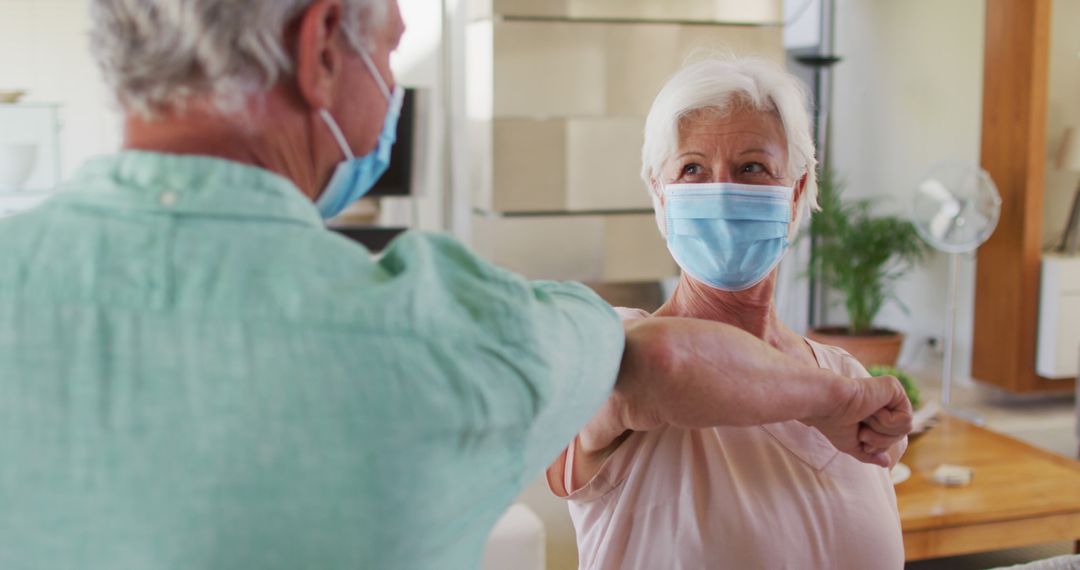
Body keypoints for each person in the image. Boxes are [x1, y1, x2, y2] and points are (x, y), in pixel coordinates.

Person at [0, 2, 910, 568]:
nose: (391, 87)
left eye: (753, 169)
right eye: (389, 48)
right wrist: (844, 398)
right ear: (321, 46)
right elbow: (656, 365)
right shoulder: (439, 325)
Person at [547, 57, 910, 570]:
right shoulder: (615, 350)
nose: (720, 190)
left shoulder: (844, 374)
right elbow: (669, 364)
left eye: (752, 168)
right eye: (692, 168)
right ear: (660, 196)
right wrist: (835, 403)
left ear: (797, 191)